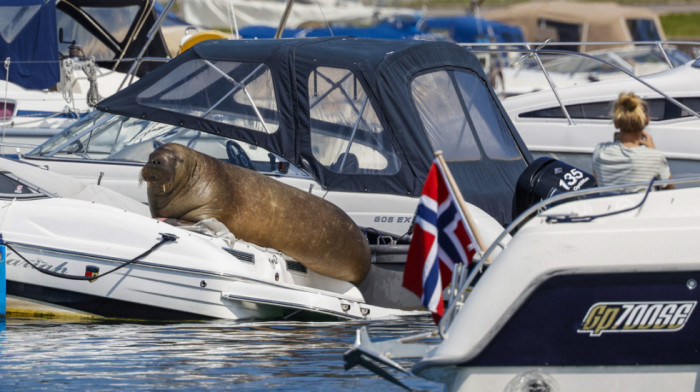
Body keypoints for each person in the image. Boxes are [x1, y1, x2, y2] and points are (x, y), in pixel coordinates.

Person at [592, 92, 673, 189]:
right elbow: (670, 189)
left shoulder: (600, 150)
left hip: (609, 203)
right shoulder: (655, 156)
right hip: (639, 204)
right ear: (647, 120)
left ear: (616, 123)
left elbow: (598, 181)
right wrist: (652, 150)